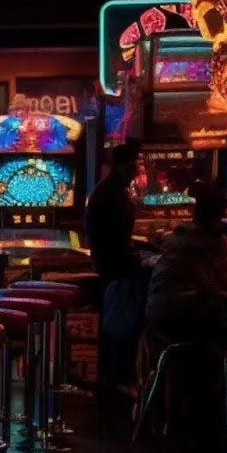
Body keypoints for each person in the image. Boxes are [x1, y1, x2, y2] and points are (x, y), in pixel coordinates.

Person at [85, 141, 145, 401]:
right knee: (122, 324)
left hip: (113, 263)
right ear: (123, 164)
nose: (138, 167)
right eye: (135, 162)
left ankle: (121, 377)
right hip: (114, 267)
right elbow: (113, 237)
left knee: (122, 322)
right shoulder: (111, 193)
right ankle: (119, 379)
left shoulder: (113, 189)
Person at [144, 179, 227, 349]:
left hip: (157, 315)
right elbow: (223, 288)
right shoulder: (217, 244)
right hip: (189, 318)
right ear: (219, 215)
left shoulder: (175, 237)